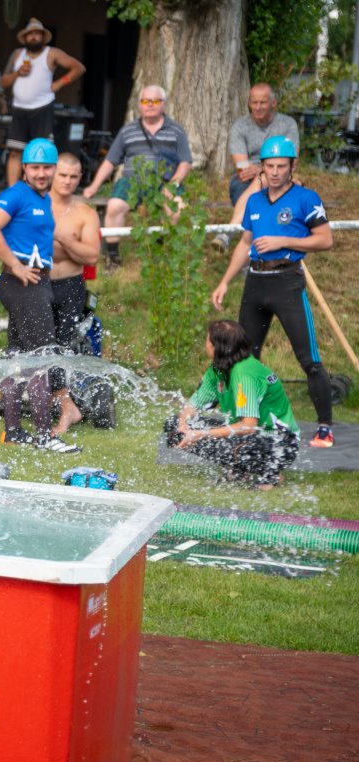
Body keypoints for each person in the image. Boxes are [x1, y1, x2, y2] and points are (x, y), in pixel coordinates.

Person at [211, 135, 335, 448]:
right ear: (262, 167)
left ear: (292, 166)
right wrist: (225, 281)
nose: (276, 172)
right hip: (255, 282)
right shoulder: (254, 201)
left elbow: (325, 240)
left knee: (309, 359)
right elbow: (245, 244)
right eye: (270, 166)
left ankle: (325, 427)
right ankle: (245, 421)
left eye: (282, 166)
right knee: (243, 359)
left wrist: (284, 241)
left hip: (287, 282)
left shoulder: (306, 198)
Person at [0, 138, 80, 454]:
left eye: (47, 167)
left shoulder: (42, 198)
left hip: (35, 283)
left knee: (18, 358)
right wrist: (15, 265)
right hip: (24, 283)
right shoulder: (17, 195)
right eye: (35, 167)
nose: (41, 173)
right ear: (24, 168)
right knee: (41, 359)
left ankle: (13, 432)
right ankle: (45, 436)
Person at [165, 320, 300, 489]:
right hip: (249, 436)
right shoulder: (218, 369)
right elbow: (194, 404)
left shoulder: (244, 374)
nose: (205, 344)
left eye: (207, 339)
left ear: (217, 347)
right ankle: (240, 471)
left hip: (280, 442)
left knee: (236, 446)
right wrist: (183, 425)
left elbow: (248, 426)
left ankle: (271, 476)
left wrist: (201, 433)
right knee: (173, 427)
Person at [82, 85, 193, 269]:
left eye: (155, 101)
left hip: (166, 181)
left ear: (163, 104)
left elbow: (186, 162)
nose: (150, 104)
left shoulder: (176, 130)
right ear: (139, 105)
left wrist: (173, 183)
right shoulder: (127, 131)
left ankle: (162, 248)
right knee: (114, 206)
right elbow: (110, 161)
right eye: (145, 101)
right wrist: (94, 186)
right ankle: (113, 258)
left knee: (178, 210)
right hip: (132, 182)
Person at [48, 151, 102, 434]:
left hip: (70, 286)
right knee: (38, 343)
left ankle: (67, 407)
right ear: (52, 174)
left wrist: (63, 239)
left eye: (73, 176)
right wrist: (72, 246)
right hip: (39, 284)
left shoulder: (86, 213)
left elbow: (91, 256)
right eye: (63, 175)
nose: (67, 181)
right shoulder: (38, 205)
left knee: (61, 344)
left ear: (80, 178)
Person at [211, 84, 300, 252]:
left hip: (281, 176)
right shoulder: (240, 126)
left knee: (265, 181)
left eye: (262, 102)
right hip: (246, 181)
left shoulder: (288, 124)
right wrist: (264, 171)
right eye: (254, 102)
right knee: (262, 186)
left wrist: (261, 170)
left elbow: (292, 163)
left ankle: (228, 233)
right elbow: (242, 168)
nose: (257, 107)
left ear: (273, 103)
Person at [0, 18, 85, 186]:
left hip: (42, 108)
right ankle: (12, 191)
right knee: (15, 152)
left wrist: (60, 83)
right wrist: (17, 73)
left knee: (42, 153)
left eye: (37, 34)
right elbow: (3, 82)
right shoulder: (17, 54)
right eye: (30, 34)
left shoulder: (51, 53)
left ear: (43, 37)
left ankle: (40, 190)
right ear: (25, 38)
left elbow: (79, 68)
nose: (33, 37)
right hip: (19, 109)